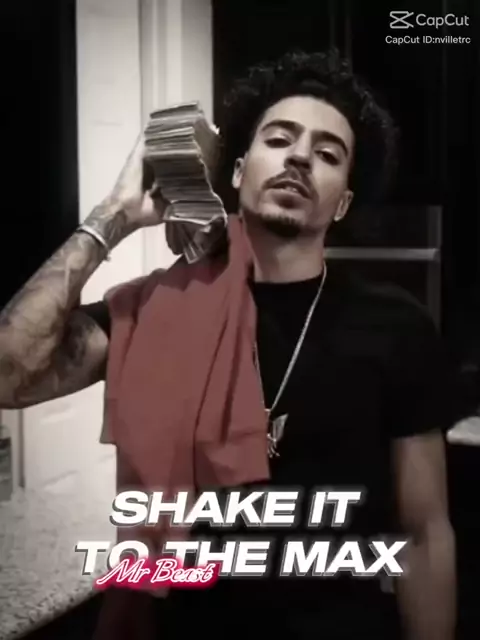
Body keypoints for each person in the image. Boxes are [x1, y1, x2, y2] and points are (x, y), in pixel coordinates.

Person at [0, 50, 456, 639]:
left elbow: (423, 535)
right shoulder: (151, 308)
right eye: (280, 139)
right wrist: (113, 215)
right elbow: (9, 373)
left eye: (327, 154)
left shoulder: (397, 326)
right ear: (238, 172)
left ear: (342, 202)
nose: (299, 157)